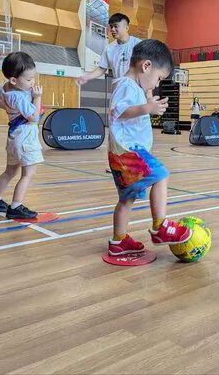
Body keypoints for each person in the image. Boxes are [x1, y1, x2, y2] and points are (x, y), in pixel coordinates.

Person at [107, 39, 192, 256]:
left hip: (123, 153)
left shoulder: (132, 86)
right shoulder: (126, 85)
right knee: (161, 175)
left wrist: (146, 99)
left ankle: (118, 241)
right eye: (158, 78)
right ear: (146, 66)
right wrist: (148, 107)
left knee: (127, 199)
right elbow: (120, 111)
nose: (156, 84)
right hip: (129, 152)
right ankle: (159, 227)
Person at [0, 52, 44, 219]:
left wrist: (6, 106)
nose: (32, 82)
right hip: (25, 137)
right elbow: (34, 118)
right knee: (28, 174)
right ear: (14, 80)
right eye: (28, 80)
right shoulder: (19, 96)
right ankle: (16, 206)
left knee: (9, 172)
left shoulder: (5, 88)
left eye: (33, 78)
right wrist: (37, 98)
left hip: (13, 138)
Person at [76, 13, 142, 85]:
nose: (112, 29)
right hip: (118, 87)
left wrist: (149, 91)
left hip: (136, 87)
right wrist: (86, 77)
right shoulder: (109, 49)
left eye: (116, 26)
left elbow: (149, 67)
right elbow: (101, 68)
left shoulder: (139, 44)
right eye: (111, 26)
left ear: (126, 28)